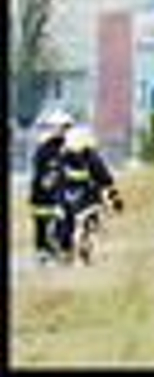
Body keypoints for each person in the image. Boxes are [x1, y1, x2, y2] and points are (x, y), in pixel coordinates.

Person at [56, 124, 123, 260]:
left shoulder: (64, 157)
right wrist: (115, 199)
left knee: (68, 225)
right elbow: (105, 179)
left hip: (70, 199)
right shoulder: (90, 157)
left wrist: (114, 197)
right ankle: (81, 246)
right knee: (89, 222)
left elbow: (58, 181)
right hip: (85, 198)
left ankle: (70, 250)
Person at [28, 109, 73, 263]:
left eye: (67, 127)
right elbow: (42, 173)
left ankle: (64, 249)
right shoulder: (44, 150)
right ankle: (43, 251)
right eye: (63, 127)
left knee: (65, 220)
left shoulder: (69, 147)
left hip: (59, 194)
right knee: (41, 222)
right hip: (42, 194)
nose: (65, 131)